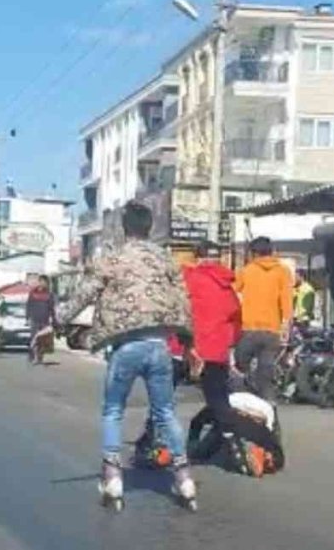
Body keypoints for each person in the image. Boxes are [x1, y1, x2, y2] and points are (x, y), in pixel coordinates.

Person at [81, 199, 195, 509]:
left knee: (113, 410)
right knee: (165, 412)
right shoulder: (167, 260)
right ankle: (184, 477)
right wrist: (187, 340)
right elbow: (183, 302)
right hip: (159, 347)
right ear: (150, 227)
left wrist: (60, 317)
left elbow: (86, 291)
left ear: (123, 227)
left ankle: (113, 475)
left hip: (126, 346)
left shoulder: (113, 258)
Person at [185, 241, 282, 477]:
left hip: (194, 348)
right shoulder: (231, 283)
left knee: (167, 400)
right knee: (252, 384)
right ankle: (258, 434)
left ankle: (161, 447)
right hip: (257, 337)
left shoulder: (192, 278)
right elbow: (235, 318)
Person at [235, 237, 292, 401]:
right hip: (272, 331)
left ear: (253, 253)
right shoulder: (283, 271)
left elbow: (232, 292)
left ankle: (243, 406)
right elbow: (286, 301)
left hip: (249, 329)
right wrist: (285, 327)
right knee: (266, 375)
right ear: (271, 251)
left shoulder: (247, 271)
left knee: (240, 369)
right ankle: (270, 411)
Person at [26, 275, 56, 364]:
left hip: (45, 320)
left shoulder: (49, 295)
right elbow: (28, 306)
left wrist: (53, 319)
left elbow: (52, 308)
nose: (43, 284)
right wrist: (27, 317)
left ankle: (40, 357)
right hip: (35, 319)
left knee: (42, 340)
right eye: (41, 281)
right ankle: (33, 356)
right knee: (34, 339)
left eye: (45, 282)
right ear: (39, 282)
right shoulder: (33, 293)